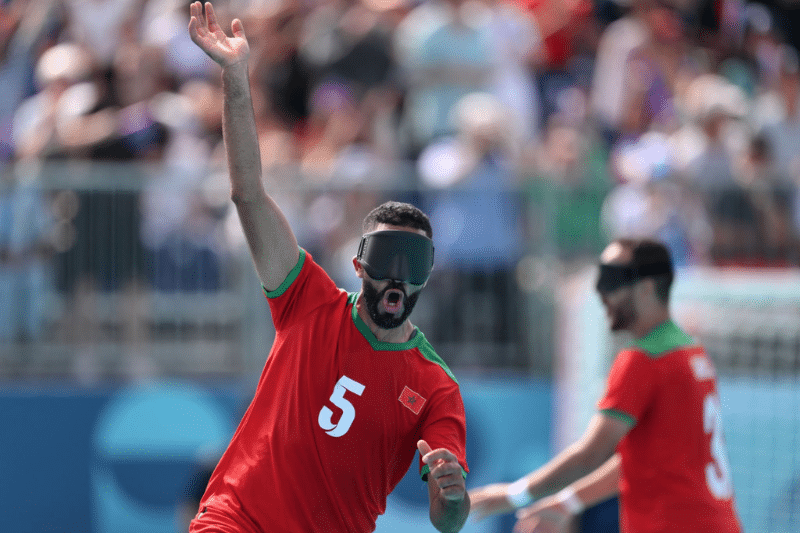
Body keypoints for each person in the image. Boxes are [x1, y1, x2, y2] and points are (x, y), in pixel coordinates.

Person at [186, 3, 470, 533]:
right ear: (359, 264)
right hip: (237, 519)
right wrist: (236, 80)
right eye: (386, 258)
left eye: (414, 263)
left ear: (427, 276)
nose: (397, 277)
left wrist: (452, 495)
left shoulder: (435, 386)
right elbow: (248, 195)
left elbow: (449, 519)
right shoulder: (308, 300)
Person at [468, 238, 743, 533]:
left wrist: (514, 495)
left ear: (646, 288)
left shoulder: (643, 359)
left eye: (613, 280)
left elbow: (591, 453)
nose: (602, 293)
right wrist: (566, 502)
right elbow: (642, 462)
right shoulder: (691, 352)